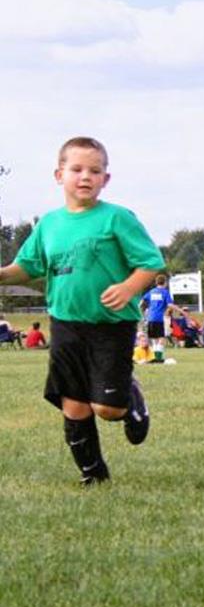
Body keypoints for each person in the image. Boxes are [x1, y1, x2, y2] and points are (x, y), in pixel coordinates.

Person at [0, 136, 161, 485]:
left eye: (95, 170)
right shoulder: (49, 224)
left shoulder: (117, 218)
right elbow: (27, 266)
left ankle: (129, 394)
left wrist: (129, 287)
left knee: (108, 410)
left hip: (111, 324)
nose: (85, 176)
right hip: (65, 323)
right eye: (76, 169)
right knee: (73, 402)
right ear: (59, 175)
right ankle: (94, 476)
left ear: (106, 178)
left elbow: (150, 263)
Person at [140, 273, 177, 354]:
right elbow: (170, 304)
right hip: (159, 318)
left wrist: (141, 310)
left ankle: (154, 355)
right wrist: (179, 309)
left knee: (154, 339)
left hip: (150, 318)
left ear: (156, 282)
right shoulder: (165, 292)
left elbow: (142, 300)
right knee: (161, 338)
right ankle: (158, 356)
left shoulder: (151, 292)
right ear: (165, 282)